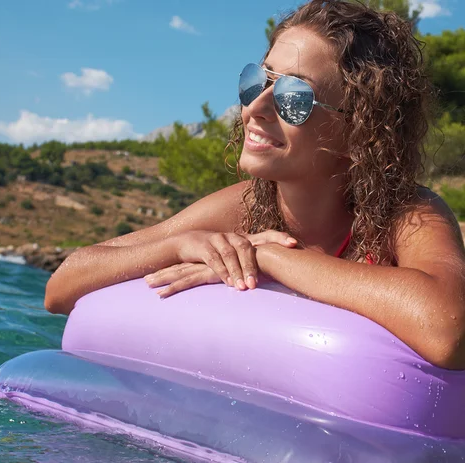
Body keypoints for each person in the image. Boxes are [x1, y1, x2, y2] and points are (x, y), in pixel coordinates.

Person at [45, 0, 465, 370]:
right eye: (258, 81)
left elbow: (448, 331)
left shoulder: (407, 215)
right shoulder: (244, 206)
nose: (256, 107)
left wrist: (272, 259)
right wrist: (177, 245)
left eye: (294, 96)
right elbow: (60, 288)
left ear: (360, 132)